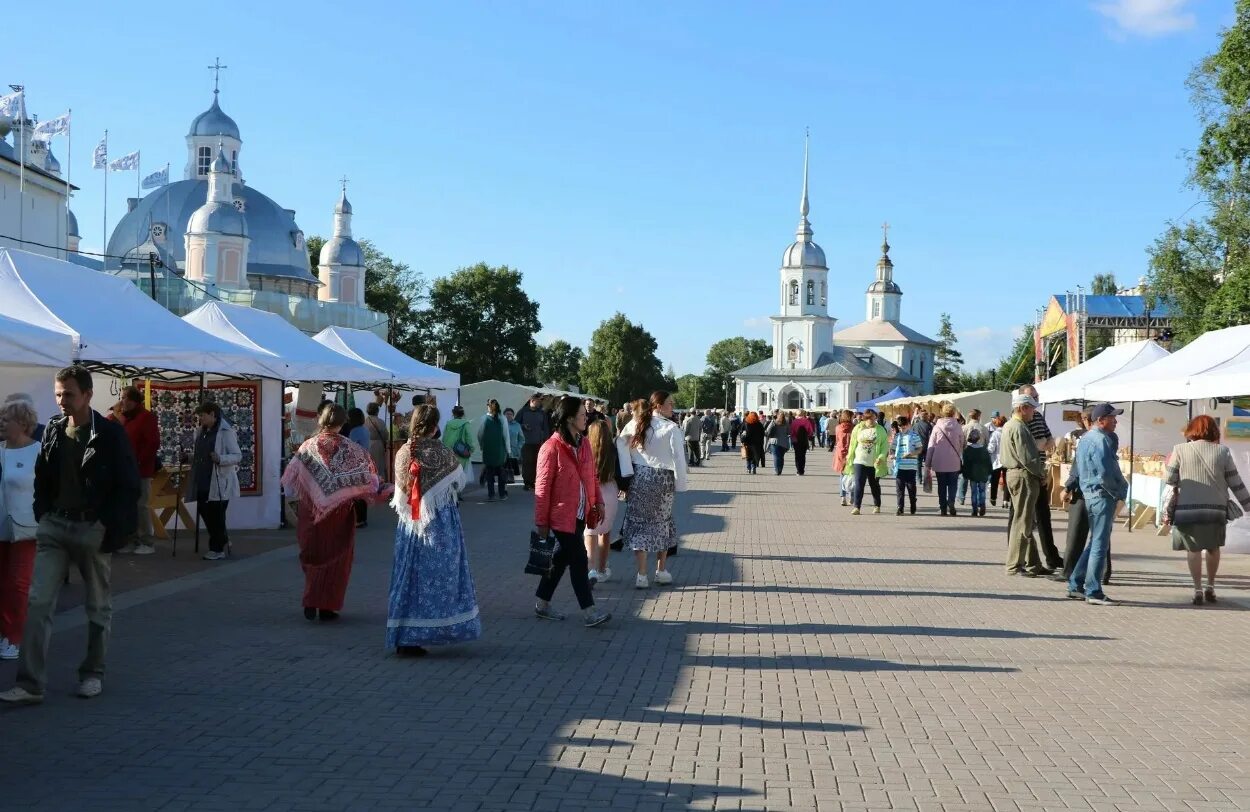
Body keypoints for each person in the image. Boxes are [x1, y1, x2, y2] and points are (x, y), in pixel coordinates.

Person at [0, 365, 139, 705]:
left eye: (69, 394)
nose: (62, 401)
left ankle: (92, 673)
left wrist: (109, 527)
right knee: (38, 602)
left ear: (88, 395)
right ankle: (31, 683)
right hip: (54, 526)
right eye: (59, 394)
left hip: (92, 527)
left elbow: (128, 485)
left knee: (97, 606)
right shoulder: (53, 431)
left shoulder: (108, 433)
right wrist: (42, 515)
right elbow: (43, 478)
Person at [387, 404, 481, 657]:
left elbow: (401, 493)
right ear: (435, 426)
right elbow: (459, 482)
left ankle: (404, 634)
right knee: (438, 575)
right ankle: (433, 629)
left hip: (410, 523)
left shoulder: (403, 452)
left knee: (409, 575)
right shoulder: (440, 451)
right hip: (438, 522)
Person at [282, 403, 387, 621]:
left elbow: (290, 482)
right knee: (337, 559)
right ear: (343, 422)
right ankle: (327, 606)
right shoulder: (351, 449)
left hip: (310, 510)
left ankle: (311, 598)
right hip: (338, 513)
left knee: (312, 555)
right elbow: (369, 478)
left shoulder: (307, 447)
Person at [533, 396, 611, 627]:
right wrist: (541, 522)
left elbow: (592, 477)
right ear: (568, 419)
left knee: (559, 561)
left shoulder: (584, 443)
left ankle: (542, 604)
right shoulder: (551, 448)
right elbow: (542, 487)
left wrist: (598, 502)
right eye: (581, 415)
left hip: (580, 514)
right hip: (559, 517)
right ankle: (589, 611)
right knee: (579, 561)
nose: (586, 417)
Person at [1164, 414, 1250, 606]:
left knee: (1193, 550)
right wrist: (1248, 505)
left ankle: (1197, 589)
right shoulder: (1223, 452)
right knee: (1213, 547)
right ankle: (1211, 586)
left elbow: (1169, 479)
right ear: (1213, 431)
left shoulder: (1179, 450)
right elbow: (1235, 482)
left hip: (1187, 509)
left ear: (1192, 430)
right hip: (1215, 509)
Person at [618, 390, 688, 588]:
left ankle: (641, 574)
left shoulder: (638, 423)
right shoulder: (671, 428)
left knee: (640, 522)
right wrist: (680, 483)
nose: (672, 406)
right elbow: (679, 459)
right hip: (662, 479)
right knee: (661, 522)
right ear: (658, 405)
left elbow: (621, 443)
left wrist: (628, 468)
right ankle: (661, 570)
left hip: (640, 477)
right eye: (669, 403)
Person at [1065, 404, 1129, 605]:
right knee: (1100, 544)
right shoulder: (1101, 440)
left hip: (1092, 494)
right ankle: (1093, 591)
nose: (1116, 421)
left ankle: (1076, 583)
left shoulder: (1086, 439)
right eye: (1112, 418)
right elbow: (1105, 473)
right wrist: (1118, 492)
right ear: (1101, 420)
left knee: (1095, 542)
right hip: (1102, 495)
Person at [0, 398, 41, 661]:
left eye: (6, 419)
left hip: (25, 528)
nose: (1, 423)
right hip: (0, 524)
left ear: (23, 424)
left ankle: (12, 637)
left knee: (17, 584)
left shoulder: (38, 450)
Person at [185, 402, 242, 561]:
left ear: (212, 414)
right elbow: (200, 455)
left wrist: (221, 458)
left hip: (219, 481)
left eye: (202, 415)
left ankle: (217, 549)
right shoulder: (201, 432)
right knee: (205, 512)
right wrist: (189, 457)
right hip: (203, 480)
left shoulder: (225, 432)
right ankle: (222, 540)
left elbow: (237, 456)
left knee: (216, 516)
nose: (200, 419)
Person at [1057, 413, 1109, 585]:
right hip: (1098, 492)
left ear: (1088, 420)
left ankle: (1072, 573)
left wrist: (1068, 486)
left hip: (1084, 491)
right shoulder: (1106, 439)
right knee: (1099, 536)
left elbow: (1078, 467)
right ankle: (1103, 572)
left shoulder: (1089, 439)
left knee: (1078, 534)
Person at [1001, 391, 1047, 577]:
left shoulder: (1011, 425)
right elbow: (1028, 458)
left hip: (1016, 474)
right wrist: (1042, 474)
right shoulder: (1019, 428)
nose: (1033, 413)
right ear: (1022, 408)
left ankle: (1033, 563)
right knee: (1023, 523)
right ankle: (1014, 564)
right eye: (1031, 409)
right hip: (1024, 476)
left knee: (1025, 521)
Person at [111, 386, 160, 556]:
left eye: (124, 397)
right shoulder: (124, 417)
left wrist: (137, 463)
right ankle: (131, 540)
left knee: (141, 506)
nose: (121, 400)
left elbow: (152, 443)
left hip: (141, 471)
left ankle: (146, 541)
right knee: (128, 506)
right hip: (125, 471)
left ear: (133, 400)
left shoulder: (146, 417)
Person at [1018, 384, 1063, 570]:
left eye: (1036, 396)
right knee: (1021, 518)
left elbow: (1050, 441)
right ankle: (1022, 558)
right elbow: (1028, 447)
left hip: (1041, 472)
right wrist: (1040, 444)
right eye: (1032, 397)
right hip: (1027, 473)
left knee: (1044, 515)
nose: (1036, 401)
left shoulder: (1037, 416)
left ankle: (1051, 556)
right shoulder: (1020, 421)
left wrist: (1042, 444)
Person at [584, 418, 619, 584]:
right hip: (610, 491)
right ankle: (602, 569)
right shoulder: (613, 449)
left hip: (590, 491)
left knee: (589, 531)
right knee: (605, 533)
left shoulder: (584, 448)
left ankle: (590, 569)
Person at [845, 409, 888, 515]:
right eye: (868, 418)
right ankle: (857, 507)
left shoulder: (880, 429)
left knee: (874, 485)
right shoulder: (858, 428)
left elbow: (884, 446)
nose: (871, 420)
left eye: (873, 417)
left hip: (874, 462)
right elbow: (852, 444)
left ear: (875, 418)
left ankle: (877, 505)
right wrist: (849, 458)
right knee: (859, 484)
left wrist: (881, 457)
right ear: (864, 418)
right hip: (859, 460)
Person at [926, 404, 966, 516]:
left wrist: (928, 462)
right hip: (954, 460)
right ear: (953, 413)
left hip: (939, 461)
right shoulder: (958, 426)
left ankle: (943, 507)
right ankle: (951, 503)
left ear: (943, 412)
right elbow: (962, 443)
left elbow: (931, 445)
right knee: (953, 484)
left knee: (941, 485)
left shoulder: (937, 427)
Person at [476, 399, 511, 502]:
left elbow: (480, 435)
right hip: (500, 451)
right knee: (501, 473)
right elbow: (506, 435)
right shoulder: (503, 419)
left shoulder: (483, 418)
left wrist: (482, 445)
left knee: (489, 473)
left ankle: (491, 494)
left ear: (488, 407)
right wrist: (508, 450)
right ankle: (501, 494)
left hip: (488, 449)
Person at [516, 393, 551, 491]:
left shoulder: (542, 413)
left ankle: (535, 482)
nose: (540, 403)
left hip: (538, 442)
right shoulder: (523, 411)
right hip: (526, 442)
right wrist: (523, 426)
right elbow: (515, 424)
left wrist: (546, 441)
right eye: (538, 401)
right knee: (527, 462)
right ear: (532, 401)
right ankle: (527, 482)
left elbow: (545, 428)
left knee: (537, 463)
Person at [890, 414, 922, 515]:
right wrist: (891, 455)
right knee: (900, 489)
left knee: (911, 488)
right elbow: (892, 448)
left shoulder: (914, 436)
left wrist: (911, 453)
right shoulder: (897, 436)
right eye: (900, 427)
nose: (902, 428)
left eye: (904, 426)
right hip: (899, 466)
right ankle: (900, 507)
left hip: (911, 466)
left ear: (908, 425)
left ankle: (913, 503)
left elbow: (920, 449)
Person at [345, 407, 371, 528]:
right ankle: (363, 518)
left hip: (355, 464)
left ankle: (359, 519)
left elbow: (349, 447)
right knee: (362, 492)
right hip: (365, 462)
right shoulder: (365, 430)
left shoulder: (354, 431)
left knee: (356, 493)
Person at [442, 405, 476, 492]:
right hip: (461, 451)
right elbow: (469, 438)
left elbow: (444, 438)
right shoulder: (465, 424)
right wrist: (471, 449)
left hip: (449, 451)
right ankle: (458, 493)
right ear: (463, 414)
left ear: (453, 414)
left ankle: (451, 492)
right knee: (460, 473)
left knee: (451, 473)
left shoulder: (448, 424)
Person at [962, 429, 993, 517]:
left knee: (974, 491)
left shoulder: (967, 450)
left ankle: (974, 509)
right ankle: (982, 504)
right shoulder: (984, 449)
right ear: (979, 438)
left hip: (972, 474)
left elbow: (966, 464)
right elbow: (988, 462)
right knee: (982, 490)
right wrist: (989, 471)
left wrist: (965, 473)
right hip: (983, 473)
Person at [831, 410, 854, 505]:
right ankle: (851, 496)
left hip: (840, 453)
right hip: (851, 452)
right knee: (852, 475)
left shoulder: (838, 428)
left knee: (842, 475)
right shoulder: (854, 428)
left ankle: (843, 497)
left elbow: (837, 440)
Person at [364, 402, 390, 482]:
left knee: (369, 467)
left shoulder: (364, 421)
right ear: (377, 411)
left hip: (366, 446)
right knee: (379, 468)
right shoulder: (380, 422)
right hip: (378, 446)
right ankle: (380, 485)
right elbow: (386, 435)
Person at [987, 415, 1009, 510]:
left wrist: (987, 450)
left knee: (994, 480)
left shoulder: (995, 434)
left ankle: (993, 498)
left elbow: (991, 448)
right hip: (1007, 460)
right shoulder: (1008, 433)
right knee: (1007, 481)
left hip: (996, 461)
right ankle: (1006, 500)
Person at [765, 410, 791, 475]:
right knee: (781, 457)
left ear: (777, 415)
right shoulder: (786, 423)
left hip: (774, 442)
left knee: (776, 456)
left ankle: (777, 471)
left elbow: (767, 431)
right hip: (784, 442)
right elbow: (788, 432)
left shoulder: (773, 422)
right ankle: (780, 470)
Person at [790, 410, 816, 476]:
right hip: (804, 440)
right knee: (803, 455)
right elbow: (810, 431)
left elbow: (791, 431)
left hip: (796, 440)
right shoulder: (806, 421)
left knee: (797, 456)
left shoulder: (794, 422)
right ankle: (802, 470)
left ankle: (798, 470)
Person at [912, 409, 933, 485]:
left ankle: (919, 479)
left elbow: (912, 435)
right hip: (927, 446)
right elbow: (931, 436)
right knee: (927, 464)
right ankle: (926, 478)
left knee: (918, 463)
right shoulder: (929, 425)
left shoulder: (915, 425)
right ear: (926, 417)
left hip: (918, 446)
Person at [503, 407, 524, 482]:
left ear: (513, 416)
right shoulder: (500, 425)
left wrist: (518, 447)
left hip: (513, 450)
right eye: (507, 414)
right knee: (502, 468)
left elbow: (521, 439)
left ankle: (510, 479)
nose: (509, 416)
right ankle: (503, 482)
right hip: (502, 450)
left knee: (511, 466)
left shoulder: (517, 425)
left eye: (511, 414)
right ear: (503, 415)